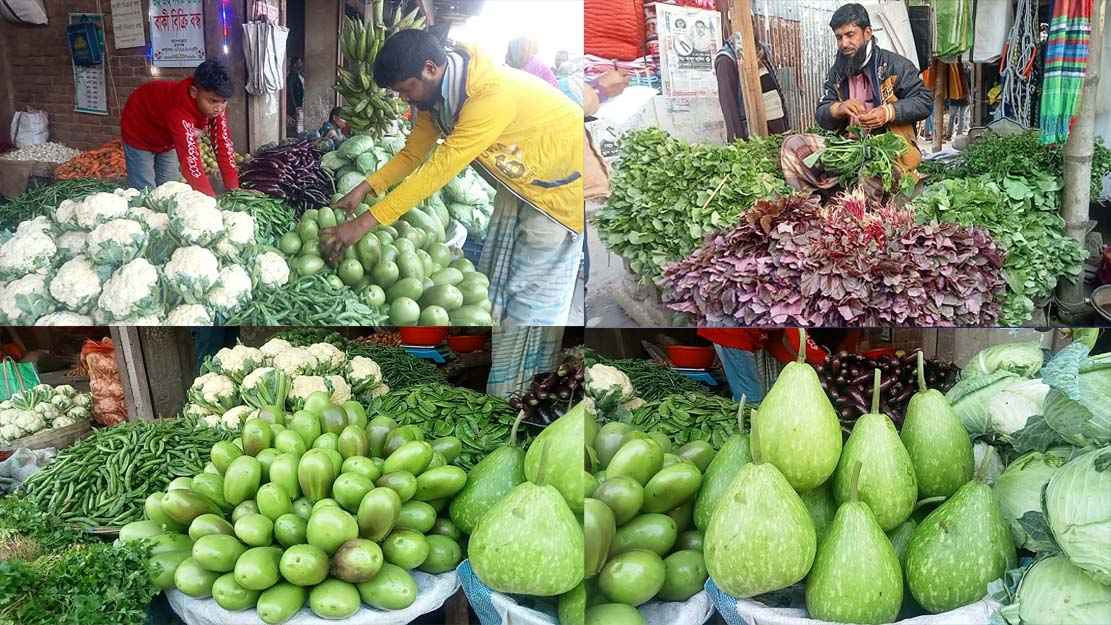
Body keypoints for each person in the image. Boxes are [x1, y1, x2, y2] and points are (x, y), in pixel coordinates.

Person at [320, 29, 584, 327]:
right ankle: (501, 348)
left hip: (561, 188)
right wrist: (365, 188)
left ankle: (533, 366)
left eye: (407, 89)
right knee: (501, 275)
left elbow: (437, 172)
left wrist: (362, 224)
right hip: (522, 181)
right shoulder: (437, 99)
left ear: (430, 69)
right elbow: (412, 155)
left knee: (533, 292)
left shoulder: (488, 94)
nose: (405, 99)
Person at [781, 3, 931, 196]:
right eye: (839, 37)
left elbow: (924, 101)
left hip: (887, 152)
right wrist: (838, 108)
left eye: (850, 35)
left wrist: (888, 112)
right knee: (793, 146)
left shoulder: (895, 65)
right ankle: (812, 205)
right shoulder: (837, 72)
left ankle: (855, 204)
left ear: (867, 33)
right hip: (848, 147)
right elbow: (822, 112)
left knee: (871, 173)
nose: (844, 43)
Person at [120, 59, 240, 196]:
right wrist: (209, 201)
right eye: (213, 101)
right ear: (194, 92)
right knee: (144, 190)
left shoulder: (215, 108)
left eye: (224, 101)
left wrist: (234, 190)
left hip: (167, 136)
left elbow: (222, 143)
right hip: (139, 129)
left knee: (169, 187)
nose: (219, 108)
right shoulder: (178, 111)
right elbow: (191, 161)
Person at [714, 33, 789, 141]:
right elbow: (730, 110)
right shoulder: (726, 59)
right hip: (755, 139)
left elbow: (775, 92)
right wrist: (740, 146)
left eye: (752, 22)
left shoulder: (761, 51)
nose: (752, 26)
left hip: (777, 132)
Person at [287, 56, 305, 135]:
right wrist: (294, 107)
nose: (301, 64)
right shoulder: (291, 77)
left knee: (299, 127)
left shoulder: (298, 76)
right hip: (295, 107)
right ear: (294, 64)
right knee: (296, 127)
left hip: (298, 106)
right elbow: (290, 93)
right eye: (299, 62)